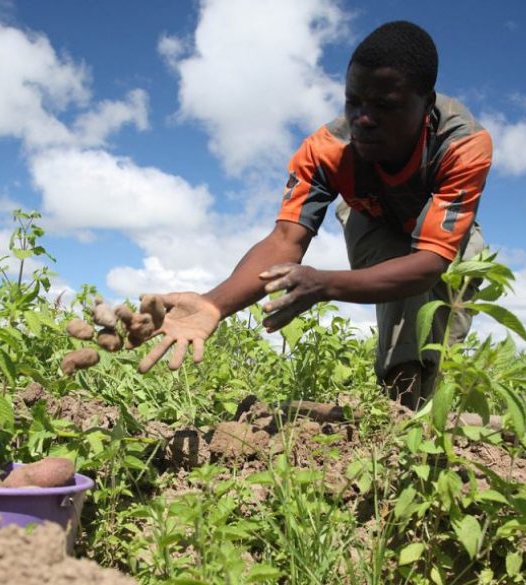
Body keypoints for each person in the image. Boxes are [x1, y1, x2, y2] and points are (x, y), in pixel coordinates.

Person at [139, 21, 491, 410]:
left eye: (385, 106)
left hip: (441, 237)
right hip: (372, 219)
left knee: (441, 336)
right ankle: (401, 419)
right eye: (353, 102)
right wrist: (214, 303)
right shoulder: (326, 151)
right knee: (406, 328)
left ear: (426, 105)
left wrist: (323, 284)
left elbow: (427, 264)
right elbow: (284, 241)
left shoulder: (462, 144)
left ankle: (428, 415)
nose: (363, 119)